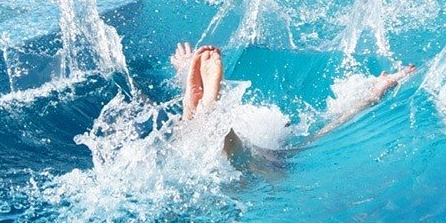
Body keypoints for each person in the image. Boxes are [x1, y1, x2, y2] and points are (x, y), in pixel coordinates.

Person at [170, 42, 415, 148]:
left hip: (242, 124)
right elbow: (336, 123)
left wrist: (185, 70)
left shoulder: (273, 141)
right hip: (250, 139)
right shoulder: (281, 152)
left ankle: (199, 105)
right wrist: (376, 92)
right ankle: (209, 110)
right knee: (239, 158)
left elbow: (336, 122)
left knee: (186, 139)